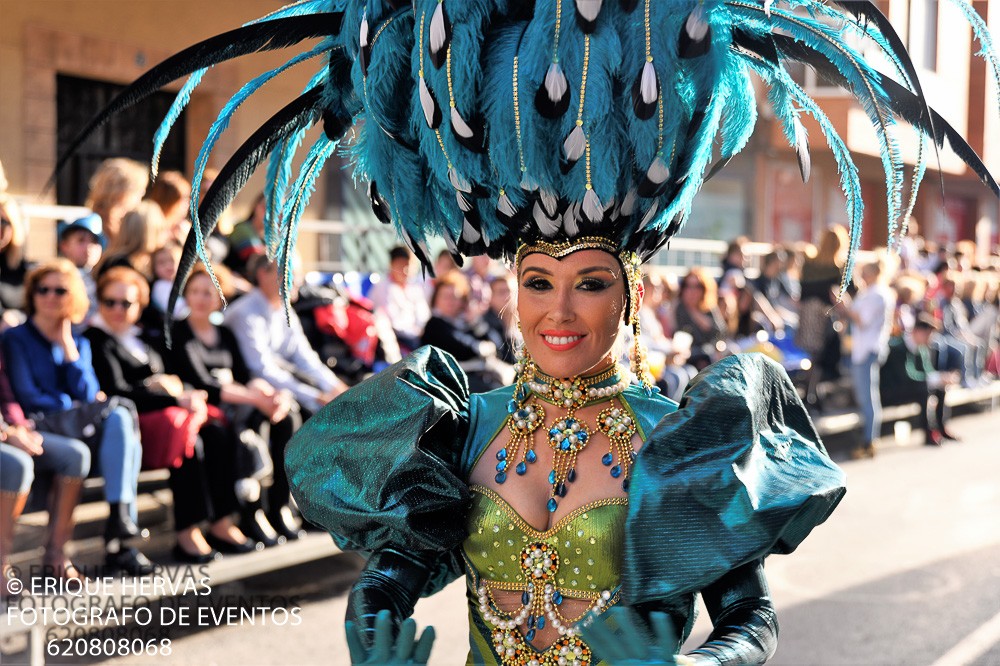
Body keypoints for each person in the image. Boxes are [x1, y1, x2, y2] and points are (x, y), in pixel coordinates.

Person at [64, 2, 998, 662]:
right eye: (537, 282)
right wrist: (377, 613)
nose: (559, 311)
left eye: (589, 283)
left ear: (627, 298)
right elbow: (408, 561)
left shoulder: (680, 439)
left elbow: (750, 621)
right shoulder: (463, 426)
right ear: (509, 290)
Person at [85, 266, 255, 561]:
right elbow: (117, 391)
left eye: (126, 303)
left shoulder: (142, 338)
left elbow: (173, 377)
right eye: (109, 301)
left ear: (139, 306)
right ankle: (187, 531)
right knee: (191, 443)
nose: (117, 309)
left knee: (215, 433)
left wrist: (180, 391)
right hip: (132, 428)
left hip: (165, 418)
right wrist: (172, 396)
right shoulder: (96, 338)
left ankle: (221, 521)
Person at [2, 260, 153, 575]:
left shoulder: (79, 341)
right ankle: (119, 520)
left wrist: (68, 347)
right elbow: (28, 396)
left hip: (74, 426)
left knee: (120, 416)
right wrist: (68, 402)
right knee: (116, 414)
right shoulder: (16, 338)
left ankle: (117, 517)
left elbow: (89, 392)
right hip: (39, 424)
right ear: (33, 293)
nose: (51, 296)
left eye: (61, 290)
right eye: (44, 289)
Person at [170, 263, 301, 546]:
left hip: (237, 402)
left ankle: (277, 504)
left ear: (219, 298)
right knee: (247, 423)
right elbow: (205, 385)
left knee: (286, 417)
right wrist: (257, 399)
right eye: (195, 291)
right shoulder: (179, 332)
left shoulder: (224, 334)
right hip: (207, 409)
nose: (201, 298)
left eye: (208, 292)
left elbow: (245, 375)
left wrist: (270, 394)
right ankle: (247, 511)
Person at [224, 254, 348, 537]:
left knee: (329, 413)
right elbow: (262, 369)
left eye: (296, 275)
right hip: (250, 393)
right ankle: (275, 505)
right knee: (296, 417)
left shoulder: (284, 310)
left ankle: (311, 506)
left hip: (281, 388)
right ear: (264, 276)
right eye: (285, 274)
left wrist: (335, 388)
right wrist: (314, 396)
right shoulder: (246, 312)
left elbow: (306, 359)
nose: (294, 282)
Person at [2, 352, 91, 590]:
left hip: (11, 427)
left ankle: (56, 554)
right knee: (16, 464)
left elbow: (6, 394)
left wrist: (17, 427)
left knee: (75, 455)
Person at [838, 261, 896, 459]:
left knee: (867, 398)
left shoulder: (877, 294)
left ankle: (869, 440)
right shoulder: (874, 292)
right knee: (868, 396)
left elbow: (862, 321)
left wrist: (846, 306)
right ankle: (868, 438)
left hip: (867, 350)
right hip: (866, 348)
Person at [880, 314, 960, 447]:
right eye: (927, 334)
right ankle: (929, 433)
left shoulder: (922, 348)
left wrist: (941, 378)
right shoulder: (898, 348)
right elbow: (906, 376)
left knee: (940, 388)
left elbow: (927, 371)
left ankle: (941, 428)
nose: (930, 338)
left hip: (907, 388)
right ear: (917, 331)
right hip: (891, 392)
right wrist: (936, 378)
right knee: (924, 390)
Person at [796, 226, 849, 411]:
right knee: (817, 355)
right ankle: (811, 393)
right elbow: (843, 293)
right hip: (823, 313)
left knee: (811, 354)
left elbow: (803, 289)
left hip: (807, 311)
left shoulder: (809, 263)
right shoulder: (836, 267)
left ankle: (810, 393)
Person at [368, 246, 430, 354]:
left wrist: (421, 330)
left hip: (417, 336)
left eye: (408, 265)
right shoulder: (382, 287)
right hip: (396, 338)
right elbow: (392, 321)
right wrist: (414, 332)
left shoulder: (415, 287)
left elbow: (424, 315)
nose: (405, 270)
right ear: (391, 265)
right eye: (400, 265)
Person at [84, 158, 147, 247]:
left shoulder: (127, 223)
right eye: (139, 190)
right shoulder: (94, 226)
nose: (142, 195)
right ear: (122, 193)